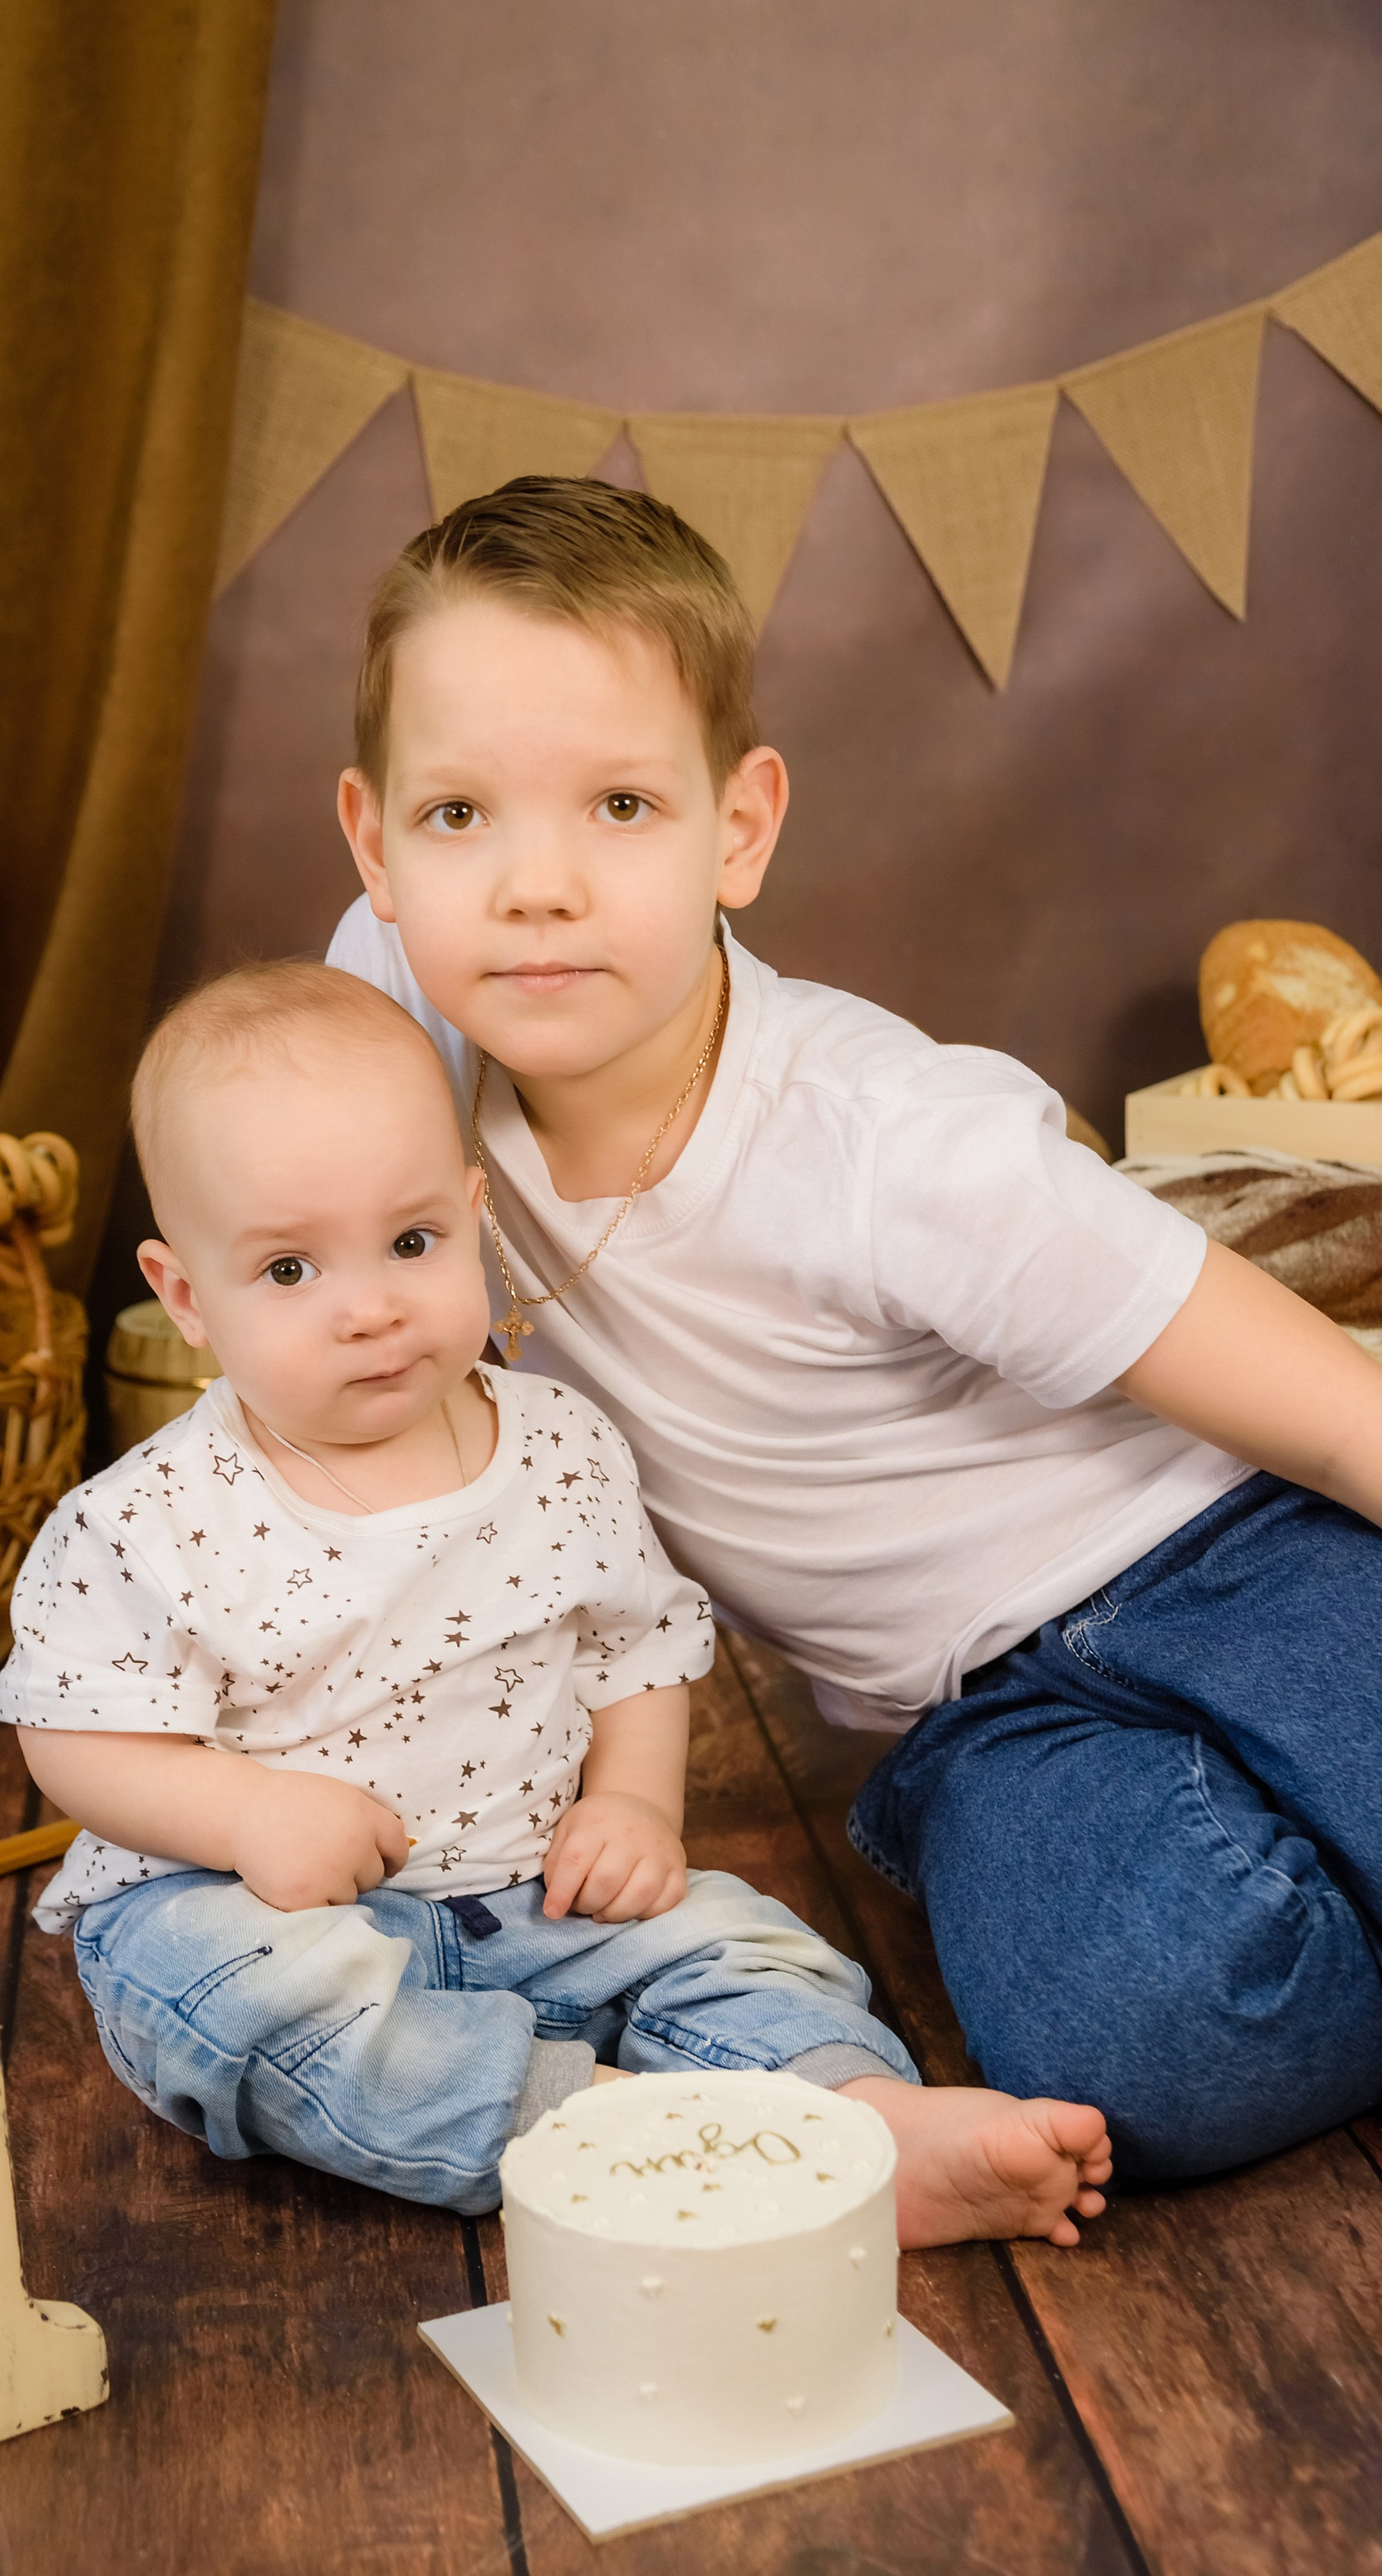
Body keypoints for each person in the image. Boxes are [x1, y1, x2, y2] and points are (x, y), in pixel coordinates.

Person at [327, 474, 1382, 2183]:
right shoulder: (390, 1025)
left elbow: (1332, 1410)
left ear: (737, 829)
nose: (532, 886)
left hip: (1233, 1546)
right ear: (374, 846)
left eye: (618, 804)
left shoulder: (892, 1144)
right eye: (458, 815)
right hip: (975, 1708)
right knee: (1145, 2046)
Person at [1, 962, 1113, 2240]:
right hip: (259, 1912)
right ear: (187, 1295)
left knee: (742, 1944)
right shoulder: (147, 1519)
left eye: (412, 1243)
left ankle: (859, 2119)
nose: (371, 1308)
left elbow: (638, 1648)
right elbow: (75, 1738)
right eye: (290, 1269)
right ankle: (610, 2133)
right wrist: (246, 1813)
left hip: (536, 1897)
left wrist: (633, 1805)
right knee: (227, 2000)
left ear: (475, 1214)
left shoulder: (561, 1447)